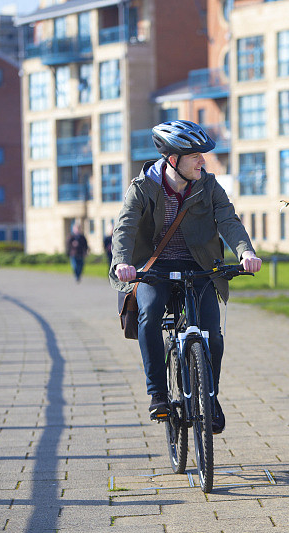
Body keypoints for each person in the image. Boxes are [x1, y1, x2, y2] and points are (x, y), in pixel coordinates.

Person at [109, 120, 262, 433]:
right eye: (196, 156)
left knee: (213, 335)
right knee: (150, 316)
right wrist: (123, 263)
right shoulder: (143, 187)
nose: (203, 161)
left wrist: (246, 252)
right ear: (173, 160)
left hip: (199, 266)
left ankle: (210, 394)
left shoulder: (208, 185)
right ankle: (158, 395)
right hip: (154, 268)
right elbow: (124, 228)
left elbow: (228, 220)